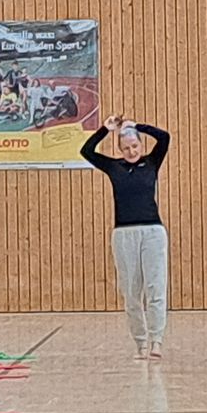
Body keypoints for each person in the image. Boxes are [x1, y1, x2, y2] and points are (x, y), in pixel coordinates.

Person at [82, 115, 172, 359]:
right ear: (120, 150)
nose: (131, 151)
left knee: (155, 287)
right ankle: (140, 342)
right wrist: (106, 129)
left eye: (134, 146)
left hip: (153, 232)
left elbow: (164, 137)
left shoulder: (152, 162)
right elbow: (86, 151)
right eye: (126, 148)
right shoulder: (114, 167)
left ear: (140, 145)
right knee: (131, 291)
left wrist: (136, 126)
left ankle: (156, 341)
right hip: (123, 233)